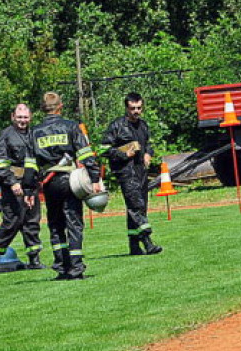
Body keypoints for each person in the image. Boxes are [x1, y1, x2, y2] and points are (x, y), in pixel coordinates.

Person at [29, 92, 101, 280]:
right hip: (70, 180)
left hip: (49, 183)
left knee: (55, 224)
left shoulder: (34, 132)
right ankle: (76, 267)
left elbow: (30, 164)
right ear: (60, 107)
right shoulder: (70, 127)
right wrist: (95, 179)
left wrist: (29, 189)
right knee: (74, 222)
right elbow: (85, 155)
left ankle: (61, 266)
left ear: (42, 109)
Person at [0, 103, 43, 273]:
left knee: (32, 221)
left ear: (30, 118)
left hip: (31, 184)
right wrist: (12, 182)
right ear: (13, 117)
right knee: (12, 223)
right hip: (13, 186)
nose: (22, 121)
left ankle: (34, 259)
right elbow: (0, 164)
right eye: (19, 117)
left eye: (25, 117)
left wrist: (32, 186)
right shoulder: (6, 135)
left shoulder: (34, 134)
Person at [102, 92, 161, 255]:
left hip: (141, 171)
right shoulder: (117, 126)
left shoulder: (143, 125)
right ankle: (148, 243)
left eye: (139, 108)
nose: (136, 111)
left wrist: (148, 153)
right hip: (125, 172)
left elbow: (148, 144)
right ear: (126, 108)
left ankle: (134, 246)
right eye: (132, 108)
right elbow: (103, 149)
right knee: (136, 206)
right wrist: (123, 154)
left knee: (138, 207)